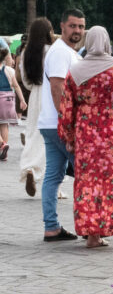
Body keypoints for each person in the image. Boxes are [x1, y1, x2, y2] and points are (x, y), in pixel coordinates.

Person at [58, 26, 113, 249]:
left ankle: (93, 236)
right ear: (107, 43)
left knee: (89, 183)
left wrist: (68, 136)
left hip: (87, 136)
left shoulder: (76, 71)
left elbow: (66, 109)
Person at [39, 9, 85, 242]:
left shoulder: (67, 52)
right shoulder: (60, 53)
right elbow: (57, 88)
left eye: (81, 26)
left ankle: (52, 227)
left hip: (51, 122)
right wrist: (68, 124)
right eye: (73, 26)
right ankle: (88, 226)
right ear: (62, 26)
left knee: (54, 176)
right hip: (59, 124)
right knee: (84, 173)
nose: (77, 30)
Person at [17, 18, 54, 196]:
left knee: (32, 135)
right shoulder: (51, 51)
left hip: (35, 96)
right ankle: (53, 181)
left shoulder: (26, 52)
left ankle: (29, 168)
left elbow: (25, 81)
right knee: (51, 139)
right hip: (51, 95)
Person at [0, 48, 27, 161]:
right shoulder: (10, 70)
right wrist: (22, 100)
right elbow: (16, 86)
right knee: (4, 125)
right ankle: (3, 152)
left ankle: (2, 144)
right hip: (9, 99)